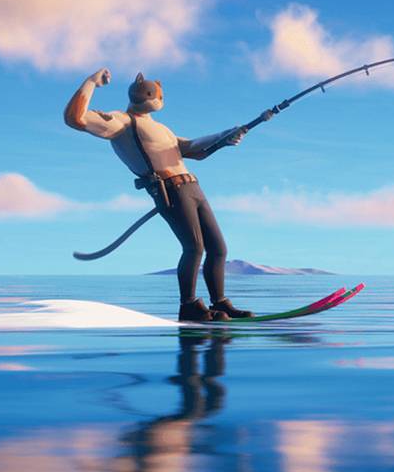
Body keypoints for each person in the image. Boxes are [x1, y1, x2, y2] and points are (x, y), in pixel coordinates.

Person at [65, 67, 269, 321]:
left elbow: (191, 148)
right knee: (194, 248)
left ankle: (220, 302)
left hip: (193, 187)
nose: (158, 98)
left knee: (218, 248)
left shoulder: (162, 129)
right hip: (170, 189)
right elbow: (76, 118)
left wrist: (225, 136)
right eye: (155, 94)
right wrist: (91, 82)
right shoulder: (123, 122)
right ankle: (189, 305)